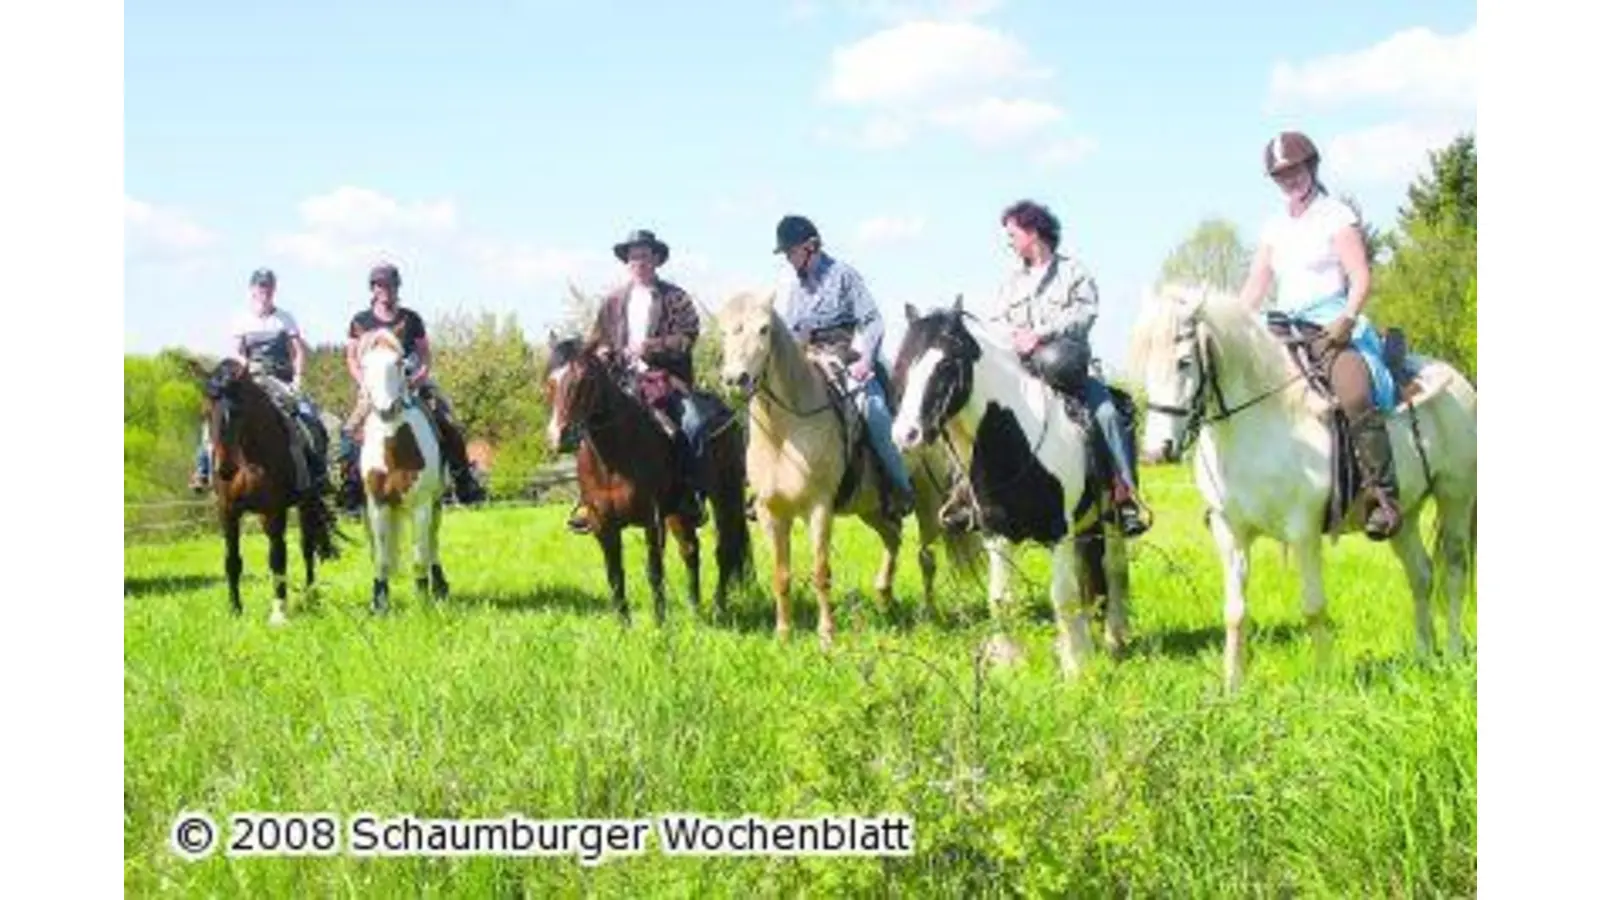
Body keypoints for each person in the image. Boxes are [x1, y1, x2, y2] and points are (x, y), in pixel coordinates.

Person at [1240, 130, 1400, 540]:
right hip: (1283, 327)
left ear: (1310, 166)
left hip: (1329, 323)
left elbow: (1361, 276)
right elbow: (1256, 285)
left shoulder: (1336, 215)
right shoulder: (1273, 227)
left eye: (1293, 170)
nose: (1288, 179)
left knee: (1354, 393)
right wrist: (1234, 322)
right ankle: (1242, 496)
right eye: (1279, 175)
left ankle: (1382, 496)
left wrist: (1348, 317)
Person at [984, 200, 1148, 537]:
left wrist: (1040, 334)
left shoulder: (1075, 273)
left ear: (1033, 232)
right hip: (1021, 375)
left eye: (1013, 234)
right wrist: (1011, 337)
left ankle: (1124, 498)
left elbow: (1084, 314)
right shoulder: (1010, 283)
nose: (1009, 242)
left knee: (1108, 415)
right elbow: (996, 322)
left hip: (1066, 373)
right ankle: (971, 498)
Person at [565, 229, 709, 535]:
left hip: (664, 379)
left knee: (693, 423)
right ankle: (587, 498)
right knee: (587, 421)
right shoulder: (613, 301)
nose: (638, 262)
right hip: (619, 381)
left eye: (644, 256)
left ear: (656, 259)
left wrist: (650, 346)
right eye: (632, 257)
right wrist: (602, 350)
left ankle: (689, 493)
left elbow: (688, 337)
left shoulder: (676, 297)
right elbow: (597, 339)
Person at [773, 214, 916, 519]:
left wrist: (866, 359)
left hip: (844, 357)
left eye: (790, 251)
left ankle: (899, 488)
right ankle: (769, 486)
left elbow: (873, 320)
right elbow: (790, 330)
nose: (787, 258)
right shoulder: (796, 286)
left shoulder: (843, 275)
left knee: (874, 411)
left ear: (811, 247)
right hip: (807, 359)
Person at [338, 262, 486, 512]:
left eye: (390, 285)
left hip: (410, 382)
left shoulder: (411, 318)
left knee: (446, 421)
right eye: (380, 285)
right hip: (373, 387)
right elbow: (351, 357)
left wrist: (419, 377)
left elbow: (425, 355)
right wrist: (363, 382)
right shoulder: (360, 322)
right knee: (349, 433)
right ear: (373, 289)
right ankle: (351, 488)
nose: (386, 290)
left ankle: (464, 480)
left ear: (397, 288)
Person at [189, 268, 330, 496]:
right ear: (252, 289)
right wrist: (244, 367)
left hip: (280, 378)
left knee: (308, 417)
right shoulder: (241, 319)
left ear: (274, 289)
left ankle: (317, 474)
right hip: (249, 379)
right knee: (218, 417)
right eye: (260, 286)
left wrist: (298, 379)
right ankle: (202, 469)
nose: (264, 290)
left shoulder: (285, 318)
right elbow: (236, 352)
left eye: (268, 286)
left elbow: (298, 352)